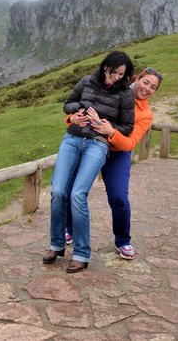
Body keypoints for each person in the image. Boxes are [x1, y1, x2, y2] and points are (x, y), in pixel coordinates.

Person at [43, 51, 135, 273]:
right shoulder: (86, 81)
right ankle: (56, 245)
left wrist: (107, 128)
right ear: (106, 68)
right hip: (72, 138)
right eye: (115, 73)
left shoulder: (125, 94)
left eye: (122, 74)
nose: (118, 78)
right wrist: (75, 114)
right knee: (57, 192)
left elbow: (128, 127)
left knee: (77, 194)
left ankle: (82, 254)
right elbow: (68, 103)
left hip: (97, 144)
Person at [65, 67, 163, 260]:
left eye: (153, 87)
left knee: (119, 197)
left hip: (117, 153)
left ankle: (123, 240)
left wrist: (111, 132)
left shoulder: (146, 114)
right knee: (72, 189)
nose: (147, 89)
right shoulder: (112, 87)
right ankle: (69, 228)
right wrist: (71, 119)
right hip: (89, 144)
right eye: (146, 82)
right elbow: (83, 106)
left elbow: (130, 143)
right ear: (138, 78)